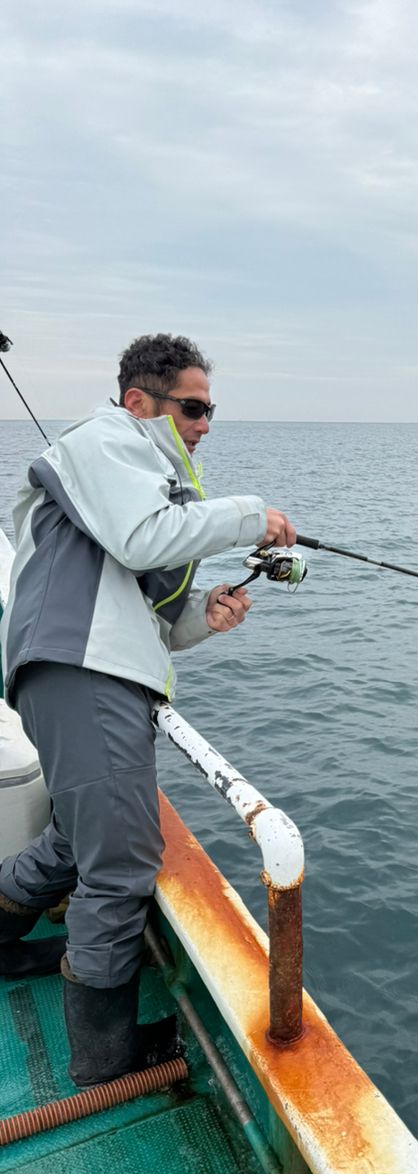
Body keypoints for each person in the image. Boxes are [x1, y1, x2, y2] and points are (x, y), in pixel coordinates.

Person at [0, 333, 296, 1086]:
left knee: (75, 837)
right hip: (80, 672)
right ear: (141, 403)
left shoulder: (140, 484)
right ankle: (105, 1062)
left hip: (84, 672)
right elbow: (140, 541)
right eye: (193, 408)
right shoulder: (108, 439)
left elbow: (152, 619)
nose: (204, 424)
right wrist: (250, 514)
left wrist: (206, 613)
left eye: (210, 411)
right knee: (123, 865)